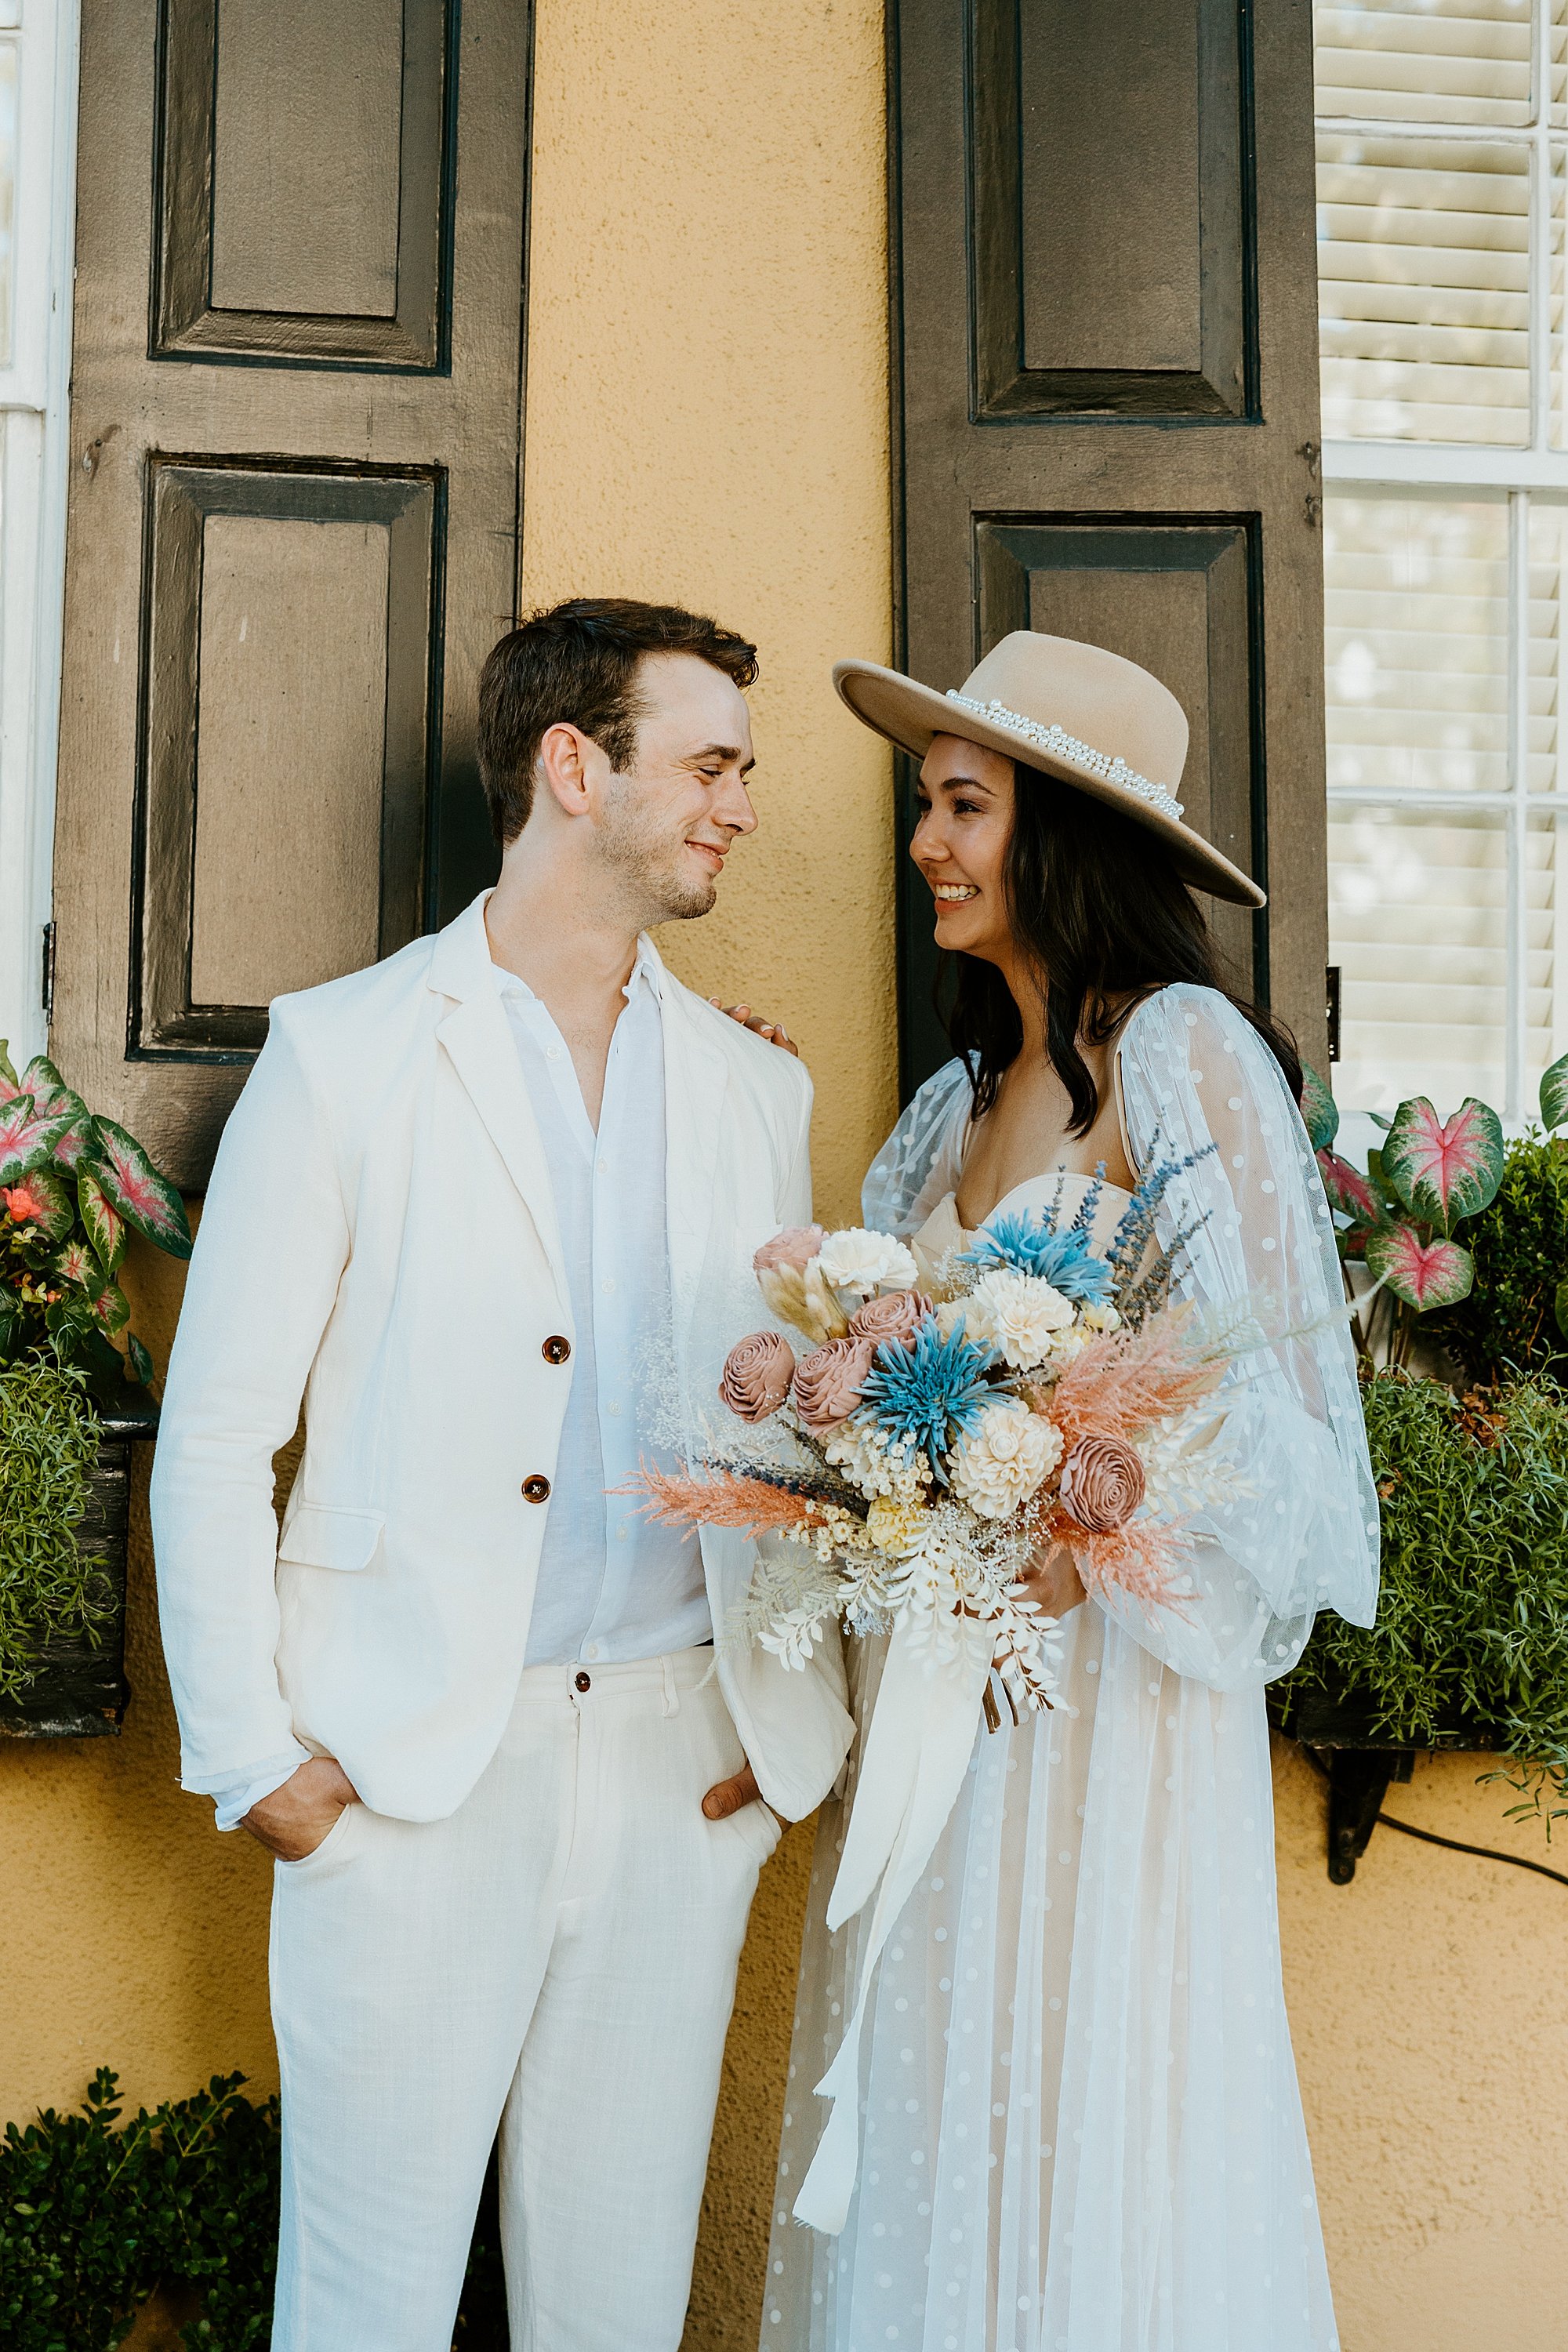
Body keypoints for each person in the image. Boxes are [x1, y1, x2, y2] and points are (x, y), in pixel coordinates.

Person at [150, 597, 853, 2352]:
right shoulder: (344, 1055)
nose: (741, 809)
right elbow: (221, 1432)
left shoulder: (756, 1086)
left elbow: (793, 1435)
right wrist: (262, 1766)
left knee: (614, 2311)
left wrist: (776, 1748)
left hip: (678, 1769)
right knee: (362, 2312)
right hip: (404, 1783)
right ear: (571, 765)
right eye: (708, 765)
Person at [762, 631, 1378, 2351]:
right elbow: (871, 1360)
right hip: (945, 1699)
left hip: (1104, 1704)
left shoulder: (1181, 1051)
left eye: (960, 806)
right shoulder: (953, 1103)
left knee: (1095, 2071)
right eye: (924, 807)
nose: (924, 848)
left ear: (1064, 836)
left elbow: (1268, 1404)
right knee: (950, 2063)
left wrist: (1075, 1514)